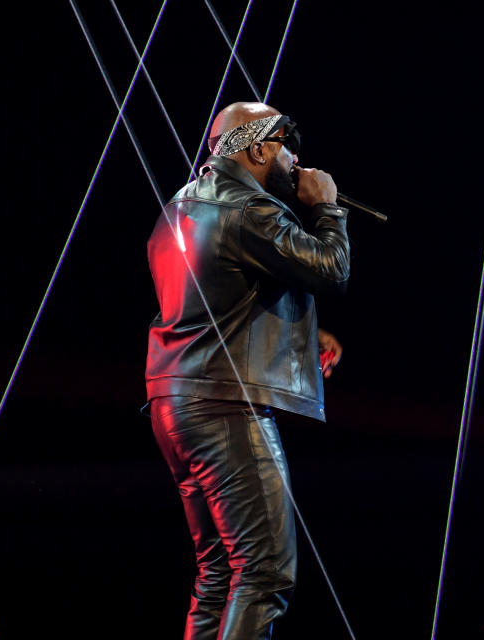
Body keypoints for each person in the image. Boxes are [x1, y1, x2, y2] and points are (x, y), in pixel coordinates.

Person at [145, 102, 350, 640]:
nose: (295, 156)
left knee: (218, 574)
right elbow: (331, 268)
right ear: (257, 148)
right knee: (263, 572)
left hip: (174, 406)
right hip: (224, 409)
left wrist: (302, 332)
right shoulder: (251, 209)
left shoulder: (180, 206)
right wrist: (326, 206)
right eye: (285, 143)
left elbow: (211, 299)